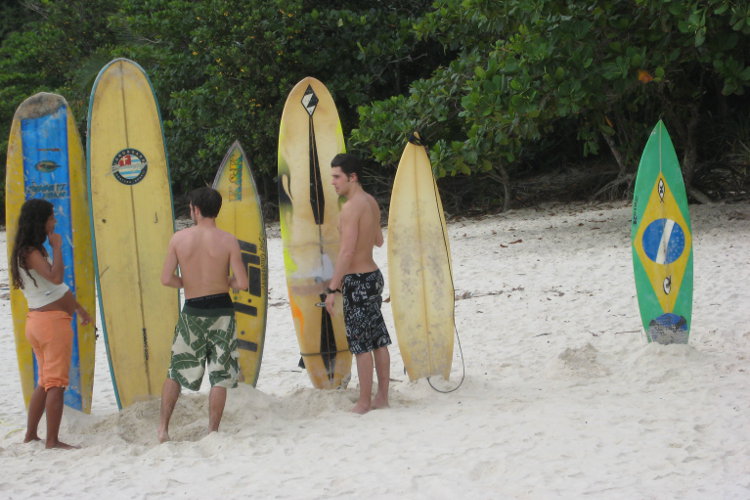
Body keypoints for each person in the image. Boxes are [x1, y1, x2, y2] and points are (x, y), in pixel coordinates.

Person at [157, 187, 248, 442]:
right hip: (222, 311)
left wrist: (188, 282)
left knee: (176, 370)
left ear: (195, 209)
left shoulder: (179, 239)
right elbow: (242, 283)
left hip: (193, 311)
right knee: (220, 375)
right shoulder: (228, 240)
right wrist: (224, 281)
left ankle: (163, 429)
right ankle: (212, 432)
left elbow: (166, 279)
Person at [10, 198, 92, 449]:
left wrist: (78, 308)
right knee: (56, 383)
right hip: (51, 324)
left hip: (38, 321)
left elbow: (53, 291)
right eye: (51, 217)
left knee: (45, 381)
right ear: (41, 221)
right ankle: (52, 440)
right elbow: (56, 279)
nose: (55, 221)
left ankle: (31, 434)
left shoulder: (27, 250)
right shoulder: (33, 252)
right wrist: (58, 247)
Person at [325, 153, 392, 414]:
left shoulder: (351, 207)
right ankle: (382, 397)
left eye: (337, 177)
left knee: (362, 344)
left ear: (352, 177)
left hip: (358, 280)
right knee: (378, 340)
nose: (333, 182)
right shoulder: (371, 202)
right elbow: (378, 240)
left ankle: (364, 402)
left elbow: (347, 252)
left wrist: (333, 288)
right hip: (374, 276)